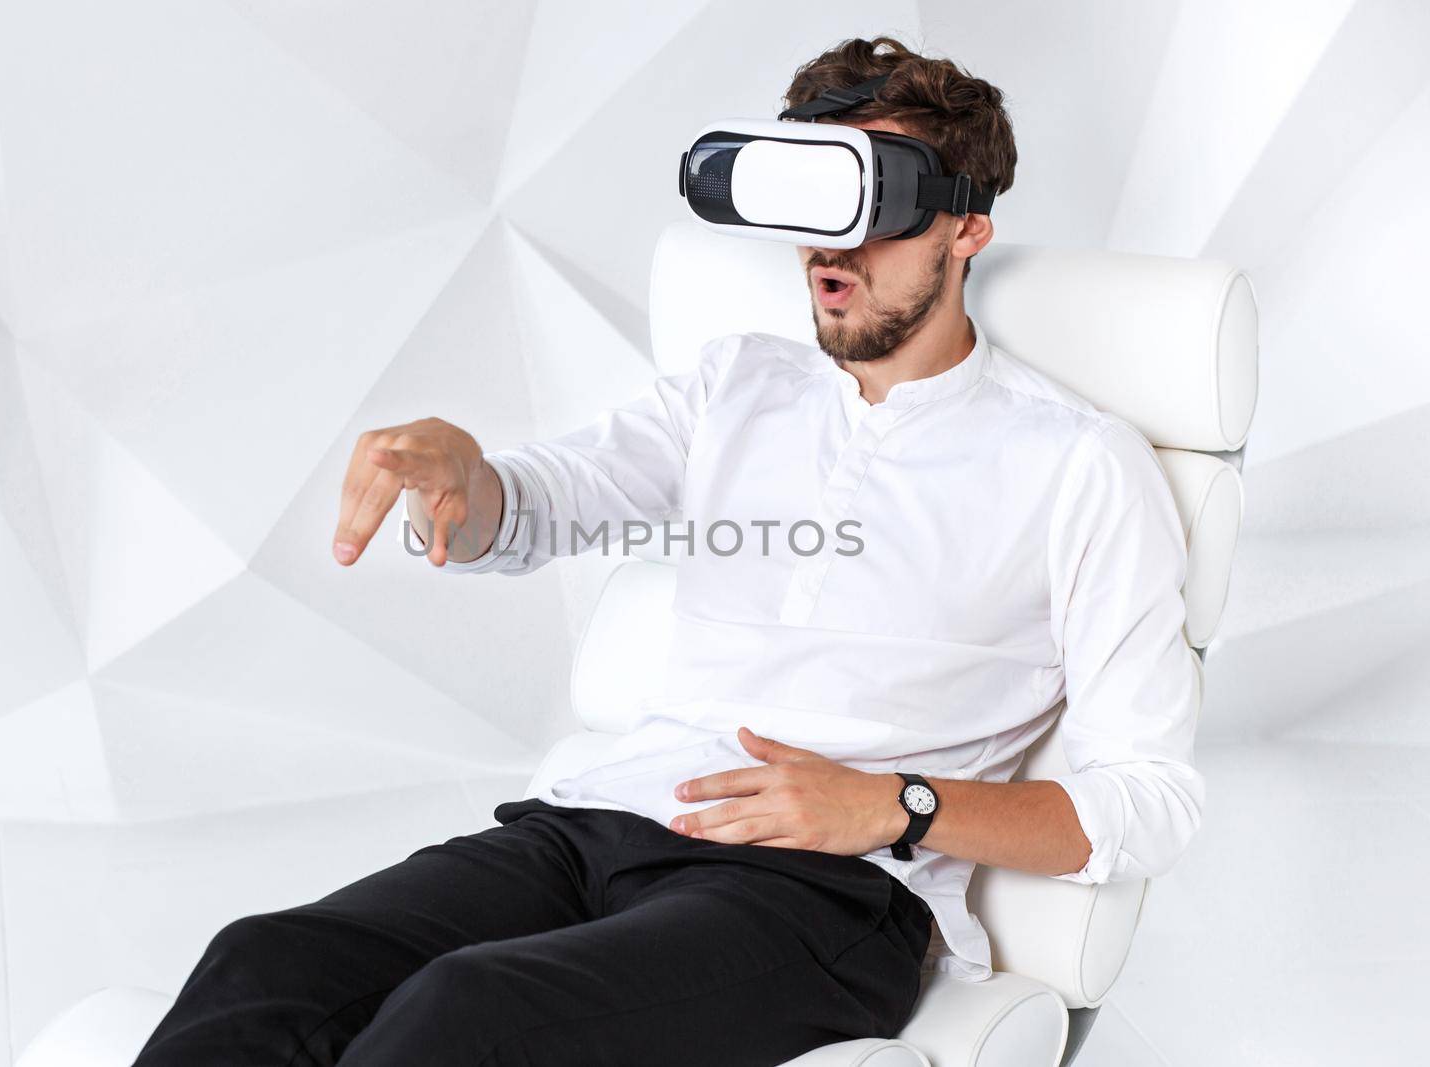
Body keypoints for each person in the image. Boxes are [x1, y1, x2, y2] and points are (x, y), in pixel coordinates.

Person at [134, 34, 1203, 1067]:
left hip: (817, 890)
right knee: (267, 963)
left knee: (470, 1016)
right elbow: (552, 499)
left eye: (872, 208)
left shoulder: (1079, 463)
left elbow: (1149, 799)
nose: (829, 251)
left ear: (963, 227)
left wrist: (896, 803)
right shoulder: (739, 382)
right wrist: (466, 485)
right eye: (811, 208)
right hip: (594, 824)